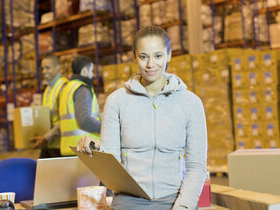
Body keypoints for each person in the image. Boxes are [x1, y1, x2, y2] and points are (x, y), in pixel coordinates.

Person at [77, 26, 207, 210]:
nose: (150, 64)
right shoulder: (117, 101)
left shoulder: (191, 103)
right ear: (135, 57)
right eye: (144, 56)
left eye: (158, 56)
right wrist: (96, 149)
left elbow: (196, 166)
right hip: (129, 201)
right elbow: (111, 162)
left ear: (169, 55)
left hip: (174, 200)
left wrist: (184, 206)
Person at [59, 56, 101, 156]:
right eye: (91, 70)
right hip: (83, 148)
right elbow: (84, 120)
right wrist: (107, 128)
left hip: (69, 148)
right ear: (85, 71)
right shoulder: (82, 90)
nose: (93, 74)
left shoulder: (67, 88)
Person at [30, 54, 68, 158]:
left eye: (47, 68)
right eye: (42, 68)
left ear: (58, 67)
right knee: (42, 172)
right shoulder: (48, 89)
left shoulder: (63, 88)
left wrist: (46, 137)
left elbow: (65, 119)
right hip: (49, 143)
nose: (44, 72)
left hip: (60, 144)